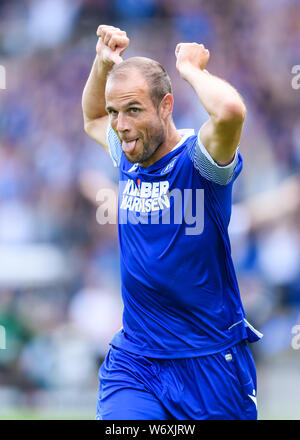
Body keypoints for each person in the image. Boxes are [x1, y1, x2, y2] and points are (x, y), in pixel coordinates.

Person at [82, 24, 263, 420]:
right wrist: (102, 63)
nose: (120, 125)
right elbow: (93, 115)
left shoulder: (199, 161)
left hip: (210, 363)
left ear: (166, 106)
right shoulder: (130, 155)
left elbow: (231, 112)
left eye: (133, 110)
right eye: (117, 112)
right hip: (137, 360)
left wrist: (193, 70)